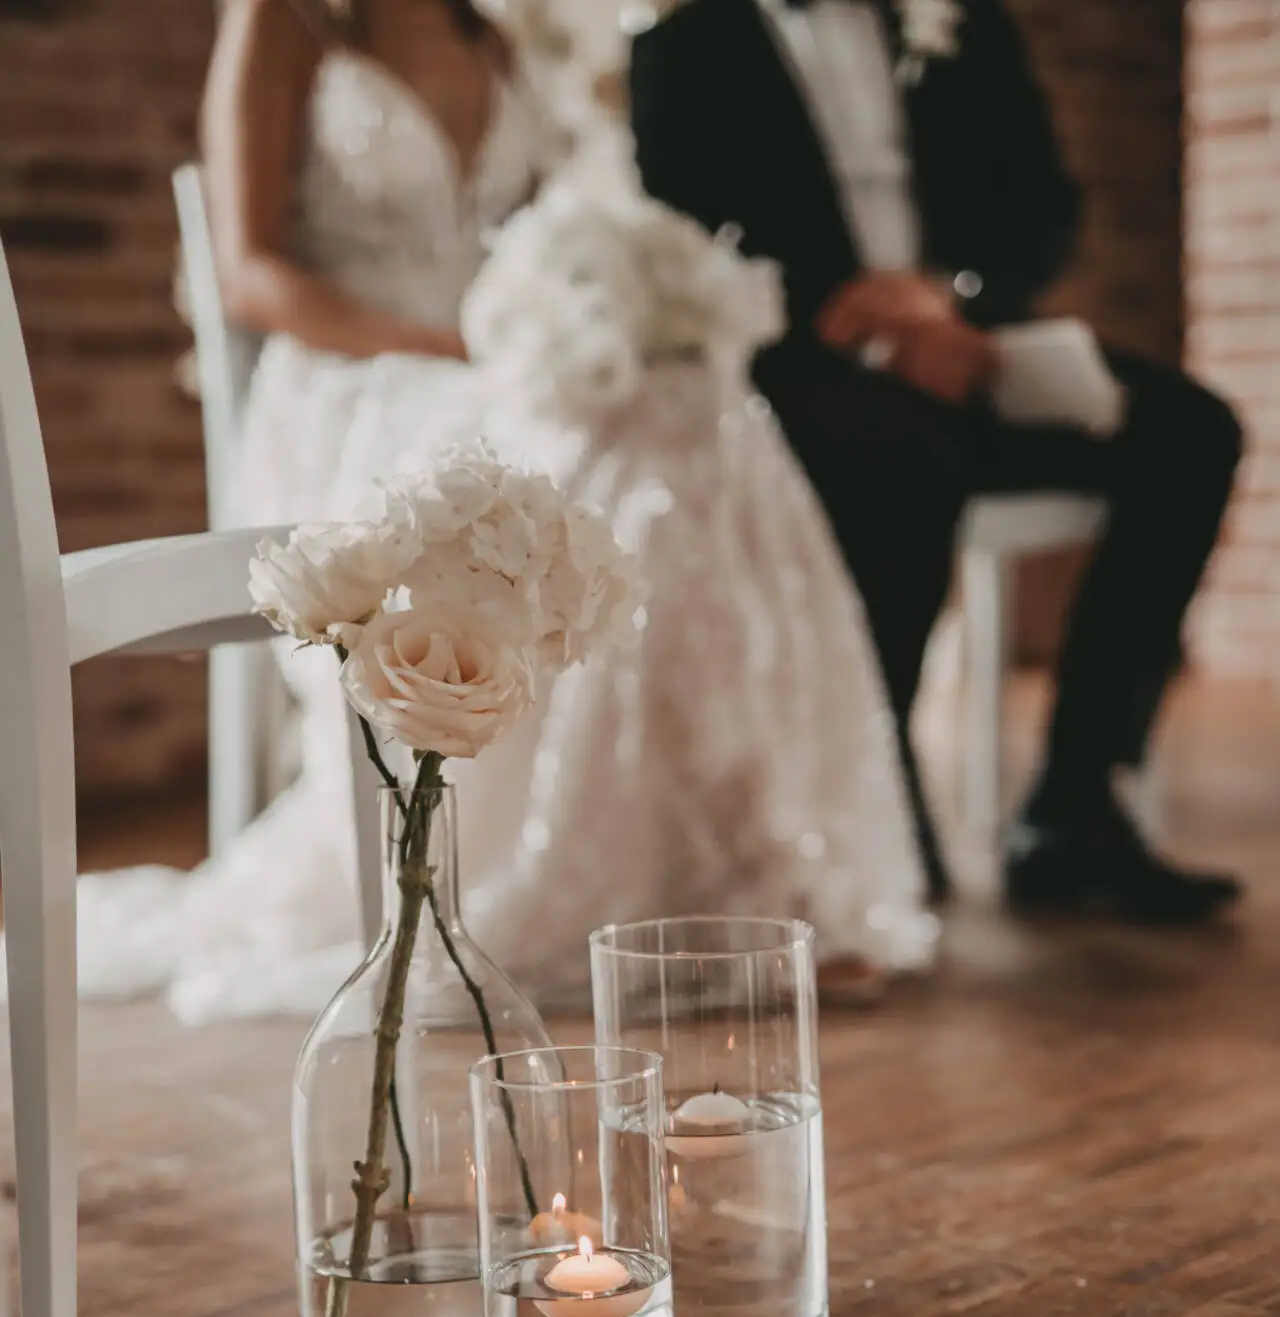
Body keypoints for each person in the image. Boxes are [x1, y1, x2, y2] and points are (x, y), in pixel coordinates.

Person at [65, 0, 935, 1021]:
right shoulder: (284, 20)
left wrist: (603, 311)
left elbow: (544, 235)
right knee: (631, 441)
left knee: (698, 401)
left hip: (499, 370)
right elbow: (251, 275)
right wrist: (458, 353)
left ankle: (737, 864)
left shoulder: (499, 34)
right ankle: (608, 870)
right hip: (351, 383)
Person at [630, 0, 1245, 923]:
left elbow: (1046, 205)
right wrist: (862, 321)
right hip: (807, 372)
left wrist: (948, 297)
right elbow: (676, 245)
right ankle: (884, 791)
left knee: (1191, 431)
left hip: (970, 344)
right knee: (901, 459)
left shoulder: (964, 23)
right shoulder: (686, 43)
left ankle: (1076, 798)